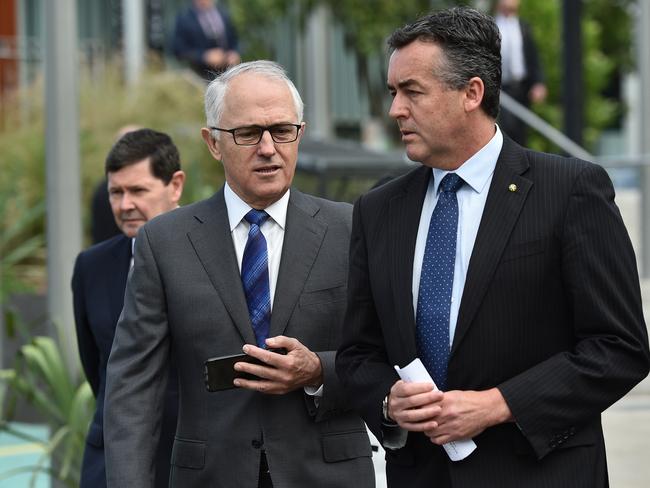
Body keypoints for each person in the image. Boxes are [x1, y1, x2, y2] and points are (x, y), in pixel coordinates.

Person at [336, 7, 650, 488]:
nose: (396, 109)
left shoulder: (569, 191)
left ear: (472, 93)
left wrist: (499, 404)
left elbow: (620, 348)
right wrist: (387, 401)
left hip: (541, 472)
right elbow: (359, 352)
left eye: (412, 92)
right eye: (394, 92)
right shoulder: (378, 209)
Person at [103, 60, 375, 488]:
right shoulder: (165, 242)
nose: (268, 147)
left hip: (327, 473)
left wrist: (318, 370)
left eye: (282, 130)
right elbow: (132, 389)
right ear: (212, 143)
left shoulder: (352, 229)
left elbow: (386, 357)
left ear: (300, 134)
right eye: (248, 133)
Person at [72, 129, 186, 488]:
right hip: (108, 467)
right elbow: (99, 369)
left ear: (175, 186)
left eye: (138, 191)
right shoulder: (91, 267)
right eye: (115, 192)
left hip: (192, 465)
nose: (124, 205)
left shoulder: (217, 256)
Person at [494, 0, 546, 145]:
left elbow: (533, 57)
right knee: (506, 127)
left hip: (521, 87)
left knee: (521, 131)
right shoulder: (492, 26)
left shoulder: (524, 26)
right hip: (500, 88)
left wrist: (539, 83)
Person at [172, 0, 241, 80]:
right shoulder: (183, 18)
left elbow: (234, 40)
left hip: (227, 73)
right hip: (199, 77)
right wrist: (204, 56)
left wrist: (234, 53)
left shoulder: (224, 14)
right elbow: (178, 50)